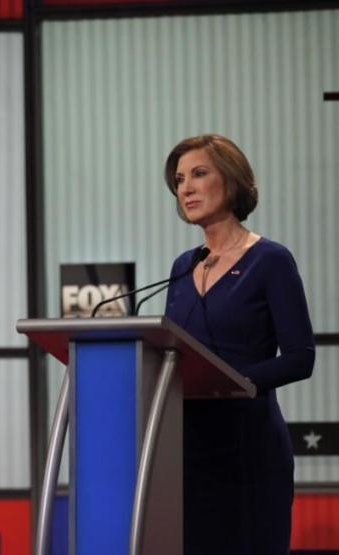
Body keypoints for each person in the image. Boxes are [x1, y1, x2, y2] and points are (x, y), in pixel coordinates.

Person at [163, 134, 314, 554]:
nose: (186, 188)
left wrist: (227, 380)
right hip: (188, 451)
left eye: (198, 174)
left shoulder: (270, 260)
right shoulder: (181, 266)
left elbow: (301, 358)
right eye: (178, 180)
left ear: (231, 181)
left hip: (249, 447)